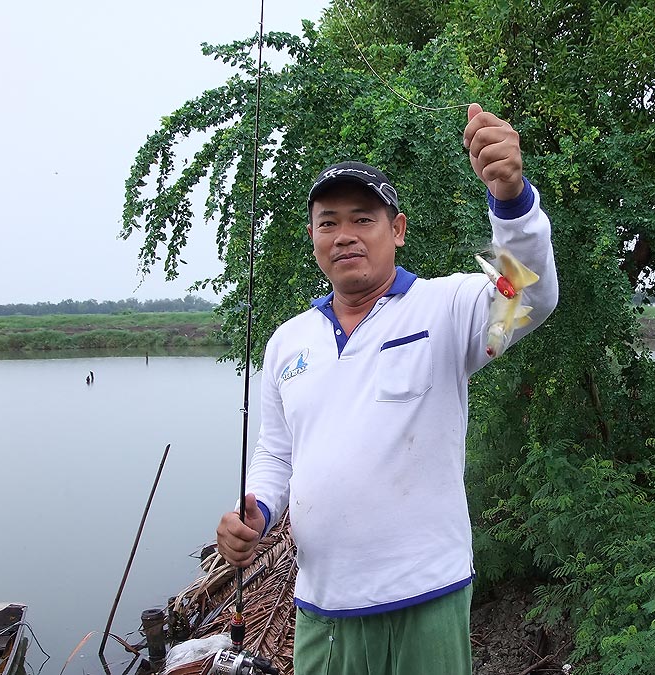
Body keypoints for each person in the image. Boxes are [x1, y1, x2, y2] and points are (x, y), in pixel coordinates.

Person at [216, 103, 559, 675]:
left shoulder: (447, 307)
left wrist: (512, 201)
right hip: (322, 604)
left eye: (363, 219)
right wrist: (255, 513)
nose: (344, 236)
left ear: (396, 230)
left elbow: (529, 295)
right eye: (328, 222)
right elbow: (276, 455)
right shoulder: (286, 341)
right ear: (312, 238)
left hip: (425, 595)